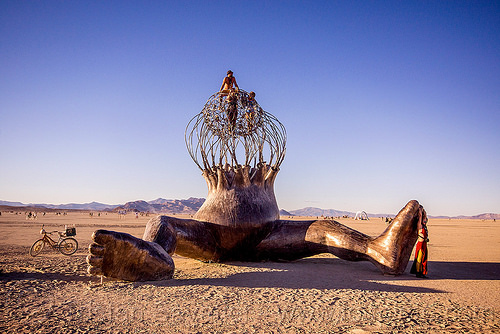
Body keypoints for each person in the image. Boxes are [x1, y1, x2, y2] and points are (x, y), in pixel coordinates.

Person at [410, 211, 429, 278]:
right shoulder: (420, 226)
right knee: (419, 258)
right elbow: (420, 218)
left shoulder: (424, 227)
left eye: (426, 220)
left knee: (424, 258)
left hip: (424, 244)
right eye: (424, 220)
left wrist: (424, 212)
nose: (425, 220)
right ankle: (418, 272)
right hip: (420, 244)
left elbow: (424, 217)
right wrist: (420, 213)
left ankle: (422, 272)